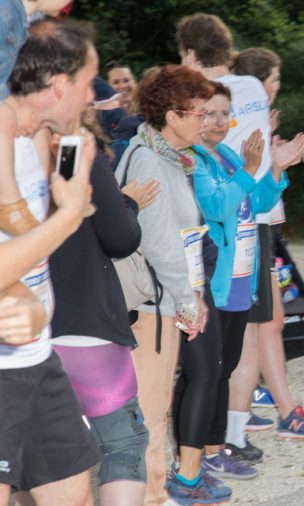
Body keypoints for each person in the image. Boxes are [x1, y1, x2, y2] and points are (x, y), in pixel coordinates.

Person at [1, 18, 102, 506]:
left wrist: (71, 198)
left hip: (35, 356)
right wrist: (68, 216)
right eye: (86, 86)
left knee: (73, 495)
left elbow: (32, 235)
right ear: (60, 84)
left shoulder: (38, 138)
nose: (90, 99)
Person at [113, 64, 224, 506]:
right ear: (173, 115)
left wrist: (190, 294)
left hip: (166, 301)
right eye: (199, 112)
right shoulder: (149, 160)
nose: (207, 120)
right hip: (152, 306)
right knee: (151, 414)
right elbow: (160, 244)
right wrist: (185, 300)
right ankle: (152, 497)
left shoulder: (169, 157)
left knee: (153, 411)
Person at [189, 82, 297, 482]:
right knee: (211, 372)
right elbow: (216, 206)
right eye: (210, 113)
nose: (219, 121)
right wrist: (252, 171)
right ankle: (202, 453)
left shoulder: (231, 156)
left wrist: (276, 169)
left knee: (227, 366)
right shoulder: (197, 162)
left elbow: (259, 203)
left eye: (224, 113)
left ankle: (217, 450)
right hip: (215, 286)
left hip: (240, 282)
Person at [49, 105, 155, 504]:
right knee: (123, 442)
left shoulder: (14, 151)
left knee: (39, 458)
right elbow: (120, 238)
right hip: (83, 323)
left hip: (22, 333)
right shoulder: (70, 150)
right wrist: (127, 204)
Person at [229, 46, 304, 439]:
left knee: (259, 324)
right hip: (255, 228)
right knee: (266, 322)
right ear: (258, 82)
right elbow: (257, 186)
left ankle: (243, 402)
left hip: (262, 229)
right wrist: (277, 157)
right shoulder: (246, 122)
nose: (277, 86)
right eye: (274, 79)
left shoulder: (250, 119)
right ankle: (286, 412)